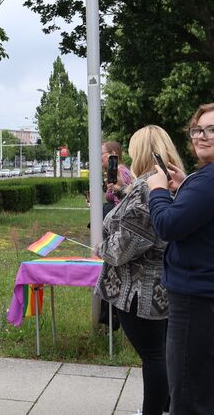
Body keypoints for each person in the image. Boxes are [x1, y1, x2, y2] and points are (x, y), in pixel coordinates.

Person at [95, 126, 183, 415]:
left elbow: (127, 244)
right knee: (161, 354)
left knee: (153, 356)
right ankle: (166, 407)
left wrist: (101, 248)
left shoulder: (148, 186)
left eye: (133, 151)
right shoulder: (167, 181)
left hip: (139, 290)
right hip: (159, 286)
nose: (130, 156)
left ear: (142, 152)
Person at [147, 103, 214, 415]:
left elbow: (167, 226)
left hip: (195, 301)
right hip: (203, 297)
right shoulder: (202, 181)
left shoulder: (207, 181)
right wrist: (185, 183)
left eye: (212, 130)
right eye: (197, 130)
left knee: (187, 395)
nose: (202, 136)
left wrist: (158, 191)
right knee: (202, 388)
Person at [102, 140, 133, 210]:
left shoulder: (120, 172)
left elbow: (120, 205)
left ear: (113, 154)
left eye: (101, 153)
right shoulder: (116, 171)